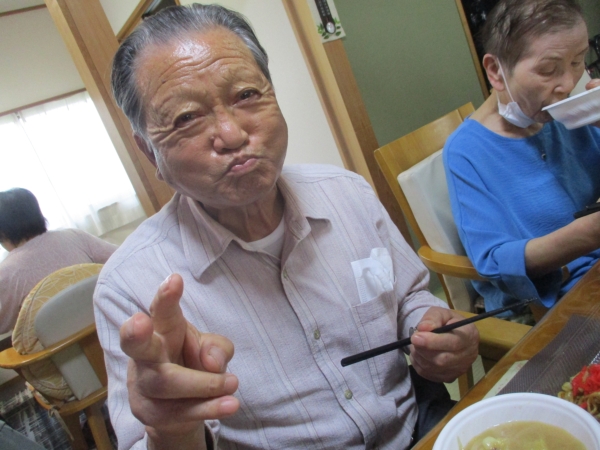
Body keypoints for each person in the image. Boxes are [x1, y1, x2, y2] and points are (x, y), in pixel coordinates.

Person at [94, 4, 479, 449]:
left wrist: (433, 327)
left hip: (419, 426)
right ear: (149, 152)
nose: (232, 134)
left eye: (246, 95)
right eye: (186, 118)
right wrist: (170, 432)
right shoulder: (129, 287)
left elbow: (408, 297)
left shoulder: (346, 193)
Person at [443, 0, 600, 316]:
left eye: (577, 61)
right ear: (495, 71)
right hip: (560, 298)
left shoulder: (570, 115)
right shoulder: (466, 152)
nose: (568, 84)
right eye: (548, 70)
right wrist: (590, 232)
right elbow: (495, 261)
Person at [0, 188, 117, 334]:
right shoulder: (74, 236)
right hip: (109, 327)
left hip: (56, 346)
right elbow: (121, 260)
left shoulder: (7, 272)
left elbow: (2, 325)